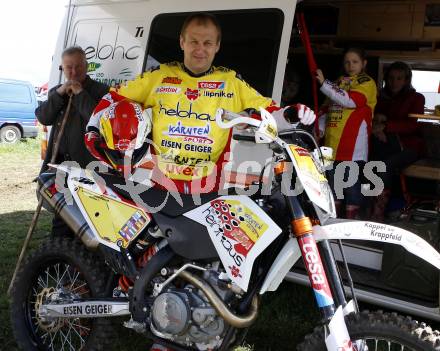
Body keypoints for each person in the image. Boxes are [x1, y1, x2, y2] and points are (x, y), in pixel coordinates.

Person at [86, 13, 316, 195]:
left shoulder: (230, 81)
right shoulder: (159, 76)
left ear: (217, 46)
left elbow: (271, 111)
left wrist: (293, 113)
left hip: (208, 188)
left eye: (207, 43)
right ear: (182, 42)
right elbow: (112, 98)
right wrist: (93, 132)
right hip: (162, 185)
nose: (200, 49)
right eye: (194, 41)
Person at [36, 46, 109, 236]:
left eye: (78, 66)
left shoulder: (101, 91)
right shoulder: (57, 92)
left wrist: (80, 94)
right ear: (62, 67)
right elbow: (44, 117)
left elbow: (100, 122)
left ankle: (82, 263)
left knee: (88, 224)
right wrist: (60, 93)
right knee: (61, 222)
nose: (74, 72)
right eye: (69, 67)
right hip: (60, 169)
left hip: (88, 171)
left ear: (87, 66)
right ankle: (59, 262)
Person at [315, 48, 377, 219]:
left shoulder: (367, 82)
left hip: (353, 147)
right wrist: (318, 129)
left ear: (364, 63)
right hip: (331, 145)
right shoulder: (338, 81)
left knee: (351, 189)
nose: (351, 65)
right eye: (347, 62)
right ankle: (333, 222)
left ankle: (351, 226)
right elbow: (326, 110)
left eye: (355, 61)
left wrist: (324, 84)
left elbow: (350, 101)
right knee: (333, 188)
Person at [370, 61, 425, 221]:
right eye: (392, 78)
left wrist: (385, 126)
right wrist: (377, 127)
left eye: (400, 78)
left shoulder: (416, 98)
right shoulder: (380, 97)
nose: (395, 82)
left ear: (407, 80)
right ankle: (367, 206)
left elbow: (412, 126)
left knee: (384, 165)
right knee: (369, 162)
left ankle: (378, 213)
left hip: (409, 146)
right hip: (383, 144)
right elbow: (372, 119)